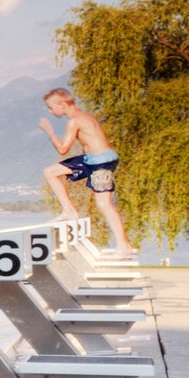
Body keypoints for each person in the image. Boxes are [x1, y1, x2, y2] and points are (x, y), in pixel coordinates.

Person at [40, 87, 136, 254]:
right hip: (90, 159)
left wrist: (50, 132)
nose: (50, 111)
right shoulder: (84, 116)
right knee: (50, 172)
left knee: (104, 204)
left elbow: (63, 149)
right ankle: (69, 210)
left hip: (101, 162)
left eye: (50, 107)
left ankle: (124, 245)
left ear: (62, 104)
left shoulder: (75, 120)